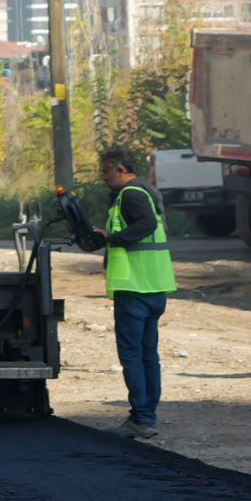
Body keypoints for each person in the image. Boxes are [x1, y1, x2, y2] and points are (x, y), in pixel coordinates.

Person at [90, 145, 177, 439]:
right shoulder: (148, 192)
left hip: (134, 286)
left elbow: (146, 224)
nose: (104, 177)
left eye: (106, 171)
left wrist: (112, 238)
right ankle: (147, 415)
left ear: (119, 169)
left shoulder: (131, 195)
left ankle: (141, 418)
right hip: (154, 285)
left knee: (132, 354)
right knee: (147, 354)